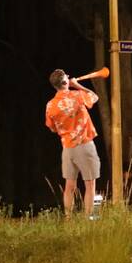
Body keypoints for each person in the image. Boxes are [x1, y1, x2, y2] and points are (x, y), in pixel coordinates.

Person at [45, 69, 101, 219]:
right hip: (84, 145)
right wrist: (77, 85)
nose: (69, 78)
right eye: (67, 77)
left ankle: (68, 219)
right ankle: (90, 219)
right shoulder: (77, 95)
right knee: (90, 184)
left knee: (69, 186)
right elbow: (94, 97)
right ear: (65, 82)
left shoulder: (50, 105)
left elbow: (52, 128)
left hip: (67, 148)